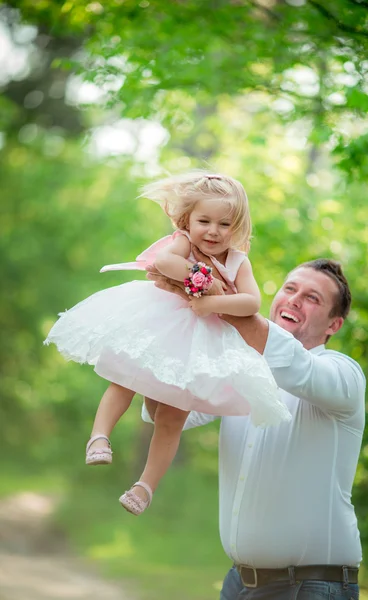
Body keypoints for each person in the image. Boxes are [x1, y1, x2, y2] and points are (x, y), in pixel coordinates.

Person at [44, 171, 291, 517]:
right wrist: (199, 279)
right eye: (204, 220)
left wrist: (212, 303)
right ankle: (99, 436)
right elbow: (164, 263)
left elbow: (251, 303)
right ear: (187, 220)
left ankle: (145, 487)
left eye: (224, 224)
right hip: (161, 322)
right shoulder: (184, 243)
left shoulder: (238, 261)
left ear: (236, 227)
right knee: (125, 378)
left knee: (173, 415)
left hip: (200, 343)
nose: (213, 231)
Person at [144, 257, 365, 600]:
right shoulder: (242, 372)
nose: (294, 299)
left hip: (310, 587)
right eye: (290, 288)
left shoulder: (341, 375)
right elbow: (167, 413)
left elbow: (297, 368)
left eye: (312, 298)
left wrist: (221, 303)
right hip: (239, 584)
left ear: (333, 325)